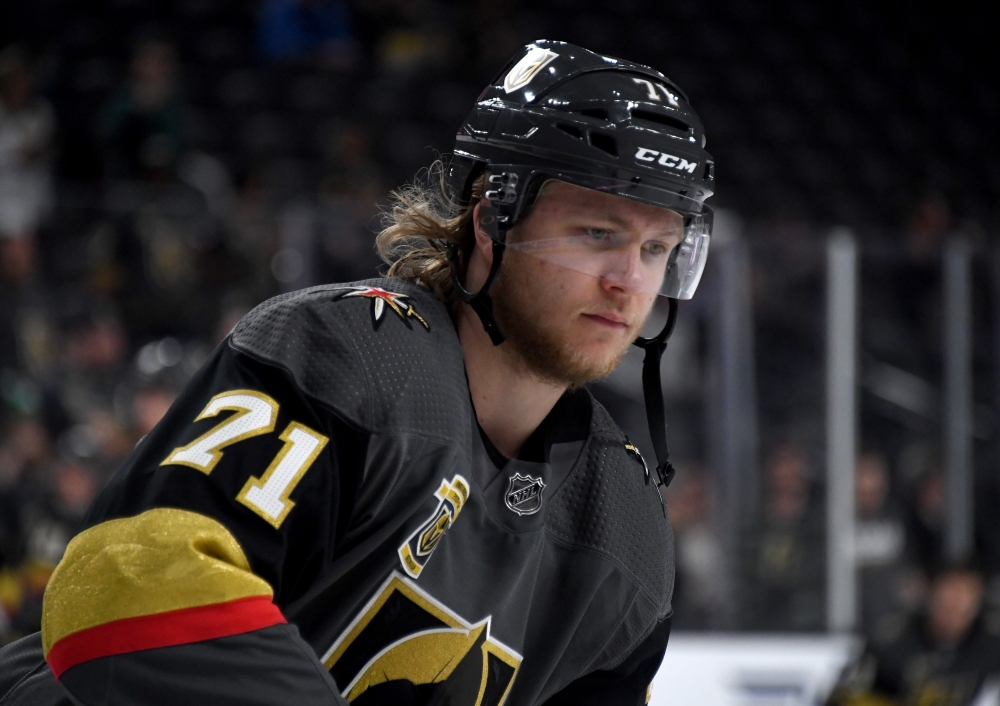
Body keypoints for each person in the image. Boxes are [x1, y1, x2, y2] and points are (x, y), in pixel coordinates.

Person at [0, 40, 715, 705]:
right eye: (598, 234)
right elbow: (125, 590)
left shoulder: (626, 534)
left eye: (657, 249)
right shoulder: (346, 355)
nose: (628, 281)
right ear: (493, 216)